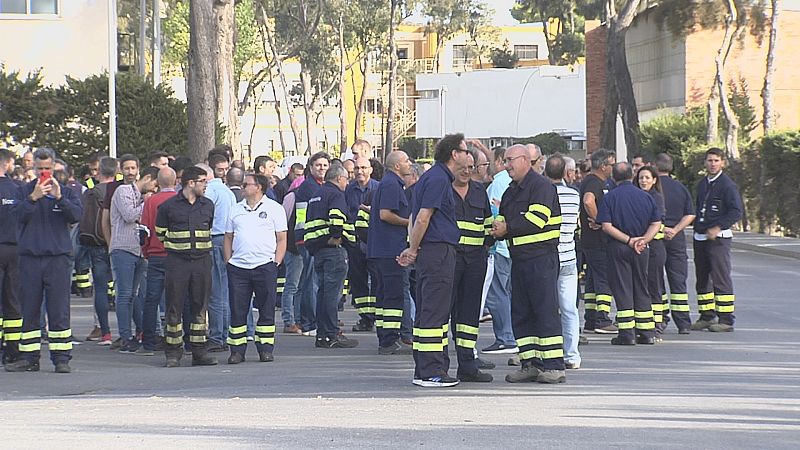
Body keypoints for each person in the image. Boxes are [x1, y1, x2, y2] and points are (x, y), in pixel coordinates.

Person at [398, 133, 469, 388]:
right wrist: (413, 249)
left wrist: (413, 247)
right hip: (438, 251)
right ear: (454, 154)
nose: (468, 155)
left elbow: (415, 217)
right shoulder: (439, 179)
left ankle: (426, 368)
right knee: (434, 312)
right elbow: (422, 218)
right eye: (465, 151)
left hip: (431, 251)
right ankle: (431, 371)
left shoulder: (432, 178)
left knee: (429, 311)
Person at [491, 144, 565, 384]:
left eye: (510, 160)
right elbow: (503, 219)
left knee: (545, 311)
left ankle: (554, 366)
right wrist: (497, 229)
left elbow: (536, 220)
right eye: (505, 161)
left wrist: (507, 228)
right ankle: (530, 364)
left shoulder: (541, 186)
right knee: (522, 313)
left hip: (541, 259)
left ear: (525, 160)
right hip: (520, 259)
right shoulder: (511, 191)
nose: (506, 165)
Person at [6, 148, 82, 373]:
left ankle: (61, 358)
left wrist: (59, 198)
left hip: (58, 259)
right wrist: (33, 198)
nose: (44, 173)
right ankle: (29, 358)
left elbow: (76, 216)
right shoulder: (23, 191)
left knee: (59, 310)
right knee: (29, 309)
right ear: (33, 168)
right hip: (30, 258)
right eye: (40, 169)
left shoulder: (66, 191)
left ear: (54, 167)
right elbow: (16, 216)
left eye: (47, 168)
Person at [156, 166, 217, 367]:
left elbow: (208, 227)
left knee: (200, 308)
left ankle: (199, 352)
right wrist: (178, 247)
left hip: (201, 262)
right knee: (174, 308)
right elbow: (160, 233)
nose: (206, 185)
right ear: (191, 183)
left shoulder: (208, 205)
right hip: (177, 263)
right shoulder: (168, 207)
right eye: (203, 181)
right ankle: (173, 353)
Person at [223, 173, 287, 363]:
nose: (242, 187)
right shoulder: (235, 209)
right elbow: (228, 237)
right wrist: (228, 261)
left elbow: (282, 238)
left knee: (266, 309)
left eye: (246, 184)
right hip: (238, 267)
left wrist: (276, 262)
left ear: (258, 187)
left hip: (265, 265)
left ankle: (265, 349)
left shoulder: (274, 209)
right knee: (238, 310)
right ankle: (237, 351)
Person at [596, 162, 661, 345]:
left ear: (613, 177)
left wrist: (628, 240)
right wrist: (643, 240)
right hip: (641, 248)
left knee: (623, 288)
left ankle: (627, 333)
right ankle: (647, 332)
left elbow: (606, 226)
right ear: (632, 176)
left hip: (619, 247)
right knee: (641, 287)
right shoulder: (646, 197)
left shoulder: (610, 197)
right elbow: (656, 223)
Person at [450, 150, 494, 382]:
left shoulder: (479, 191)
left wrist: (486, 245)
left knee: (469, 315)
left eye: (470, 167)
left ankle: (467, 365)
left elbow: (488, 223)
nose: (466, 171)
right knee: (444, 314)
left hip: (475, 261)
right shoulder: (443, 189)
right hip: (450, 260)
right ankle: (438, 366)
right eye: (462, 167)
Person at [303, 164, 359, 349]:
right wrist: (337, 236)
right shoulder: (335, 194)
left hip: (318, 250)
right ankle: (332, 333)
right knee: (332, 295)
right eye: (346, 179)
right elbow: (336, 219)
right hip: (333, 250)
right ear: (338, 178)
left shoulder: (316, 195)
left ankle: (322, 334)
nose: (347, 182)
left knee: (322, 293)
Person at [691, 148, 742, 332]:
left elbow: (736, 211)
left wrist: (718, 227)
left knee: (720, 278)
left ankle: (726, 319)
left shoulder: (727, 185)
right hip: (700, 236)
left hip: (719, 239)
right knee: (702, 278)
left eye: (716, 160)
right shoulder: (702, 184)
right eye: (710, 160)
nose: (712, 164)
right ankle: (706, 316)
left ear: (722, 163)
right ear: (705, 163)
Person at [110, 166, 159, 353]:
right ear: (147, 178)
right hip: (124, 247)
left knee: (134, 294)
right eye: (154, 185)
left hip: (139, 250)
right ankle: (125, 337)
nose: (154, 189)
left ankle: (140, 331)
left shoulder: (143, 197)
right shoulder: (123, 191)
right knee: (124, 294)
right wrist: (146, 203)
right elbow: (129, 215)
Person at [368, 151, 413, 354]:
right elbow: (385, 214)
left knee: (384, 297)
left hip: (382, 249)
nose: (409, 163)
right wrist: (409, 222)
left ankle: (385, 337)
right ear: (396, 166)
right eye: (406, 161)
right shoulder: (391, 185)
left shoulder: (388, 184)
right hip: (390, 249)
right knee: (393, 297)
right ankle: (389, 339)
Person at [545, 153, 582, 370]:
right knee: (569, 308)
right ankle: (572, 354)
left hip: (548, 257)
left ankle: (549, 351)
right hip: (568, 255)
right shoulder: (574, 195)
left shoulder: (543, 194)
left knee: (547, 306)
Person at [654, 153, 696, 333]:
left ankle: (661, 318)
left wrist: (663, 229)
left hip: (656, 237)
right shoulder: (681, 188)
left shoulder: (653, 188)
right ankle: (683, 323)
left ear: (655, 167)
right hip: (676, 239)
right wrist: (675, 229)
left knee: (656, 280)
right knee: (678, 280)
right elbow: (690, 214)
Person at [481, 146, 517, 355]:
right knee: (507, 293)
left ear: (499, 162)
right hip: (511, 247)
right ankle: (512, 335)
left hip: (499, 248)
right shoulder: (511, 182)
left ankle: (505, 337)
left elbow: (495, 214)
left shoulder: (497, 184)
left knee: (496, 294)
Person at [78, 156, 117, 345]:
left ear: (99, 171)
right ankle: (135, 332)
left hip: (96, 243)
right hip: (118, 243)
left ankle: (105, 332)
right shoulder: (119, 190)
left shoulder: (91, 192)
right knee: (126, 290)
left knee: (100, 288)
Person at [139, 167, 178, 355]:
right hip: (176, 255)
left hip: (156, 255)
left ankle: (148, 341)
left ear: (158, 182)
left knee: (151, 299)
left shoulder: (151, 201)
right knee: (179, 298)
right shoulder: (180, 201)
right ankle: (180, 339)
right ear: (175, 181)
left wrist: (146, 251)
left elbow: (144, 230)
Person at [579, 149, 617, 333]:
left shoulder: (591, 181)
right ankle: (602, 319)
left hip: (590, 241)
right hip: (598, 240)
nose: (613, 168)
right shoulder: (594, 182)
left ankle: (591, 319)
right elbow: (588, 201)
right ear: (603, 166)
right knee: (604, 278)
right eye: (611, 164)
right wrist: (600, 220)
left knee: (593, 280)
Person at [294, 152, 329, 336]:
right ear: (310, 167)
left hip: (311, 237)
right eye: (318, 165)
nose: (322, 168)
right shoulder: (310, 187)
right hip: (308, 238)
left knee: (310, 282)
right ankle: (310, 323)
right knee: (311, 282)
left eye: (325, 165)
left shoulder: (319, 185)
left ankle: (307, 320)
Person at [204, 156, 237, 352]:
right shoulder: (227, 192)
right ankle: (224, 334)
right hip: (227, 240)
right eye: (220, 169)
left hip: (215, 239)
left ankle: (217, 336)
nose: (224, 172)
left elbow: (205, 216)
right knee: (223, 290)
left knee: (216, 292)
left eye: (225, 169)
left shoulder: (211, 191)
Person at [345, 157, 379, 332]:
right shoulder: (348, 190)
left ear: (371, 170)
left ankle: (377, 316)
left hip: (375, 242)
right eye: (357, 168)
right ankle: (365, 318)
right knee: (358, 282)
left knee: (378, 280)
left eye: (364, 167)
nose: (360, 171)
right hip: (355, 243)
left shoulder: (379, 188)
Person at [634, 166, 668, 340]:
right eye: (641, 178)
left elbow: (656, 222)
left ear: (654, 180)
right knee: (641, 286)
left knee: (654, 286)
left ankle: (657, 323)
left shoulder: (657, 197)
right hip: (639, 247)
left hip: (654, 248)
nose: (644, 181)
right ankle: (643, 322)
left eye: (647, 178)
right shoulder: (636, 195)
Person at [0, 148, 23, 365]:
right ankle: (14, 349)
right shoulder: (18, 189)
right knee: (13, 300)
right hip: (15, 249)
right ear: (7, 164)